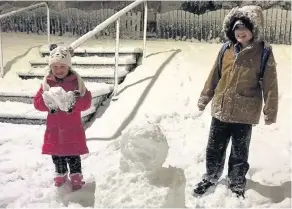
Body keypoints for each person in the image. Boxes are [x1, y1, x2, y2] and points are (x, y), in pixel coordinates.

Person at [193, 5, 278, 198]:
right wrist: (205, 97)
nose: (241, 33)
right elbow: (214, 75)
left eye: (245, 30)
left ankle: (237, 182)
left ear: (254, 30)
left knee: (239, 152)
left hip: (244, 112)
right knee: (214, 147)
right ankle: (211, 177)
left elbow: (271, 84)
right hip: (221, 109)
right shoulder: (226, 49)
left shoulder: (264, 53)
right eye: (237, 30)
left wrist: (270, 111)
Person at [33, 45, 92, 190]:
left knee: (73, 154)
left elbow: (86, 102)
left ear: (68, 67)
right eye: (55, 67)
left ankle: (76, 176)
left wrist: (74, 101)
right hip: (55, 128)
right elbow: (37, 103)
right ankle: (61, 173)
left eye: (62, 67)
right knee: (57, 154)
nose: (59, 70)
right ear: (51, 68)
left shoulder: (76, 82)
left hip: (72, 127)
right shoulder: (47, 83)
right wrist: (48, 102)